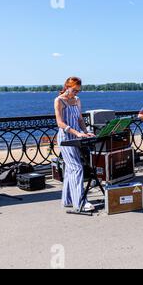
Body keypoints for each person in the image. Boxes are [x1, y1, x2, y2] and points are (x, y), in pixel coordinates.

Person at [54, 77, 96, 212]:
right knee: (76, 167)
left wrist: (85, 131)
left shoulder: (77, 100)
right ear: (67, 86)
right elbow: (59, 123)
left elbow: (79, 119)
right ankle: (80, 202)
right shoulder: (59, 100)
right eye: (74, 90)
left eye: (78, 90)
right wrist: (76, 133)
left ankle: (68, 199)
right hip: (65, 138)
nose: (77, 92)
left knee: (71, 169)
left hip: (77, 137)